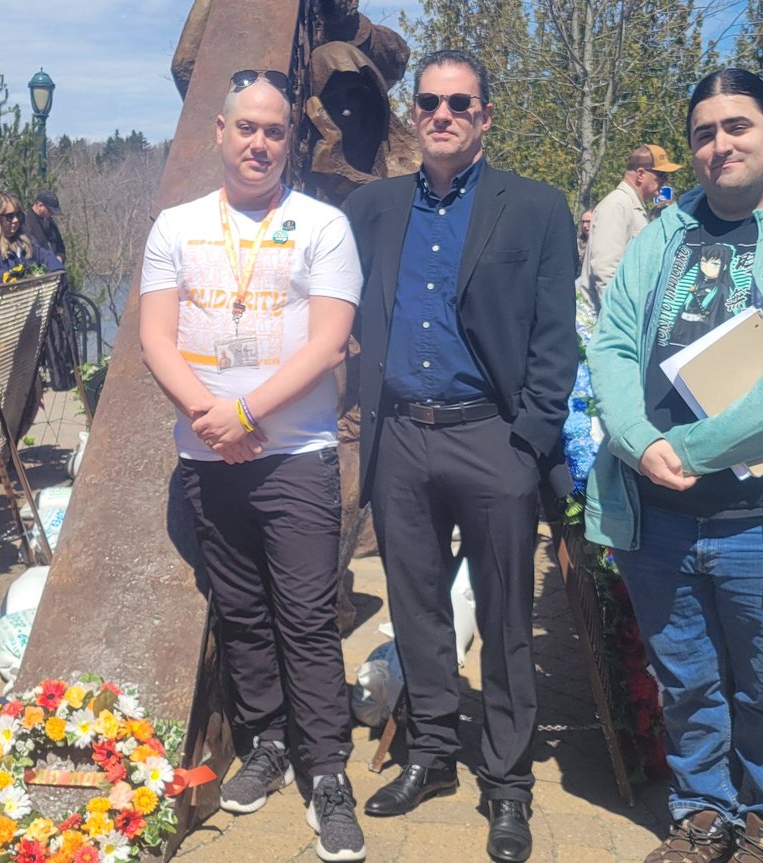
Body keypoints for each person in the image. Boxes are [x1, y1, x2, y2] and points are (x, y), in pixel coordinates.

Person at [343, 49, 577, 863]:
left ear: (485, 116)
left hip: (492, 439)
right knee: (417, 612)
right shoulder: (372, 208)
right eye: (430, 104)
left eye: (459, 104)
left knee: (507, 620)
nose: (442, 115)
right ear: (414, 115)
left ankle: (509, 787)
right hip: (400, 436)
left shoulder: (537, 208)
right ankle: (432, 754)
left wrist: (529, 443)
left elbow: (556, 339)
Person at [139, 68, 365, 862]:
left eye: (275, 130)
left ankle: (328, 770)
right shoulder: (176, 225)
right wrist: (213, 417)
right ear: (220, 135)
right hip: (207, 453)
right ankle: (268, 741)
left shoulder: (322, 226)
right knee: (239, 610)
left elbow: (327, 341)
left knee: (305, 616)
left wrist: (245, 412)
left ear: (288, 140)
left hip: (294, 453)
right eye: (247, 128)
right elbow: (156, 337)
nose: (260, 141)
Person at [586, 67, 763, 863]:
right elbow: (614, 342)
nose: (719, 144)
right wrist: (635, 437)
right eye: (703, 132)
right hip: (655, 514)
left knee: (761, 682)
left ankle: (758, 816)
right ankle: (704, 812)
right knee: (685, 676)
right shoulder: (663, 233)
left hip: (754, 520)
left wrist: (683, 448)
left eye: (737, 125)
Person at [584, 143, 682, 308]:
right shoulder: (617, 205)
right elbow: (605, 269)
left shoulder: (630, 205)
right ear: (641, 174)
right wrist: (616, 318)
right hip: (605, 318)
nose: (665, 182)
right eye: (661, 175)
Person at [0, 192, 62, 286]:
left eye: (18, 215)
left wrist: (56, 271)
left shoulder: (24, 240)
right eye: (9, 217)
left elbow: (45, 256)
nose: (16, 220)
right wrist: (21, 276)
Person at [25, 190, 66, 261]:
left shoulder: (50, 223)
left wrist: (60, 257)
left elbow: (60, 246)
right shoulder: (26, 222)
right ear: (40, 205)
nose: (51, 214)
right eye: (49, 211)